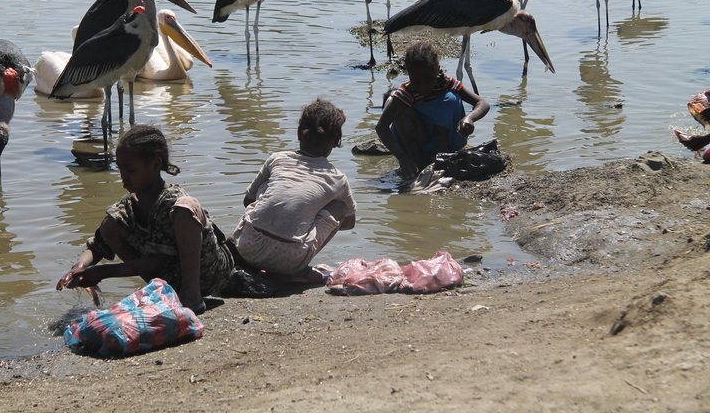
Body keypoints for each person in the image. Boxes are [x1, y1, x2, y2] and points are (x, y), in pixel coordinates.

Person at [56, 125, 233, 314]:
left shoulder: (170, 200)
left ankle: (192, 298)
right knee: (110, 225)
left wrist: (102, 273)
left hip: (208, 274)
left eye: (131, 170)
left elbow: (156, 261)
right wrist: (80, 267)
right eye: (120, 168)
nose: (123, 175)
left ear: (156, 165)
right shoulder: (128, 205)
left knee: (185, 208)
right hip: (170, 275)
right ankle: (165, 292)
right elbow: (99, 245)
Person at [233, 98, 357, 283]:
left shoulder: (277, 159)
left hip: (247, 248)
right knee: (340, 206)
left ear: (299, 134)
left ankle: (257, 263)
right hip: (290, 260)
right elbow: (348, 223)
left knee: (265, 191)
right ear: (335, 143)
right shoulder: (338, 178)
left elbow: (248, 201)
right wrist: (311, 214)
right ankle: (300, 270)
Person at [376, 42, 490, 179]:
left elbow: (482, 103)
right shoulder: (407, 92)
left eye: (428, 81)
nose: (422, 87)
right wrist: (402, 157)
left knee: (452, 99)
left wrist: (469, 118)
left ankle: (441, 157)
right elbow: (381, 126)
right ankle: (417, 163)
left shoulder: (446, 83)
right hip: (418, 142)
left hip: (444, 141)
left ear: (437, 70)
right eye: (416, 82)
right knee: (401, 111)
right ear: (409, 75)